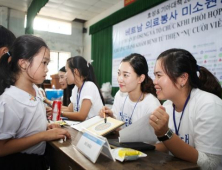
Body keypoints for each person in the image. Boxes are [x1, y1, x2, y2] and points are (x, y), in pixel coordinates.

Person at [0, 35, 71, 170]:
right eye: (44, 62)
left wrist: (45, 127)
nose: (47, 69)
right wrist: (43, 135)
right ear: (24, 63)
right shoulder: (9, 100)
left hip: (38, 161)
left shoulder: (36, 90)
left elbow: (28, 125)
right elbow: (2, 148)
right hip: (19, 163)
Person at [150, 48, 222, 170]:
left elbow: (210, 163)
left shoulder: (209, 105)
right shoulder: (167, 106)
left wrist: (165, 134)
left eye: (159, 75)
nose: (154, 81)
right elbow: (170, 146)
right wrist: (139, 149)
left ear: (182, 78)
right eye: (154, 76)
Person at [100, 53, 161, 128]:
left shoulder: (151, 105)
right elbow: (117, 124)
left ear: (140, 78)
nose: (119, 79)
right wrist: (111, 117)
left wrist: (118, 131)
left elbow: (149, 138)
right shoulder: (119, 95)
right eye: (119, 73)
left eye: (125, 75)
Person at [60, 56, 104, 121]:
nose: (65, 75)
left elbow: (81, 116)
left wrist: (60, 113)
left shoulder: (89, 86)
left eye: (66, 71)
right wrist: (54, 109)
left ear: (76, 72)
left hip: (95, 128)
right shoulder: (76, 88)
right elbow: (70, 109)